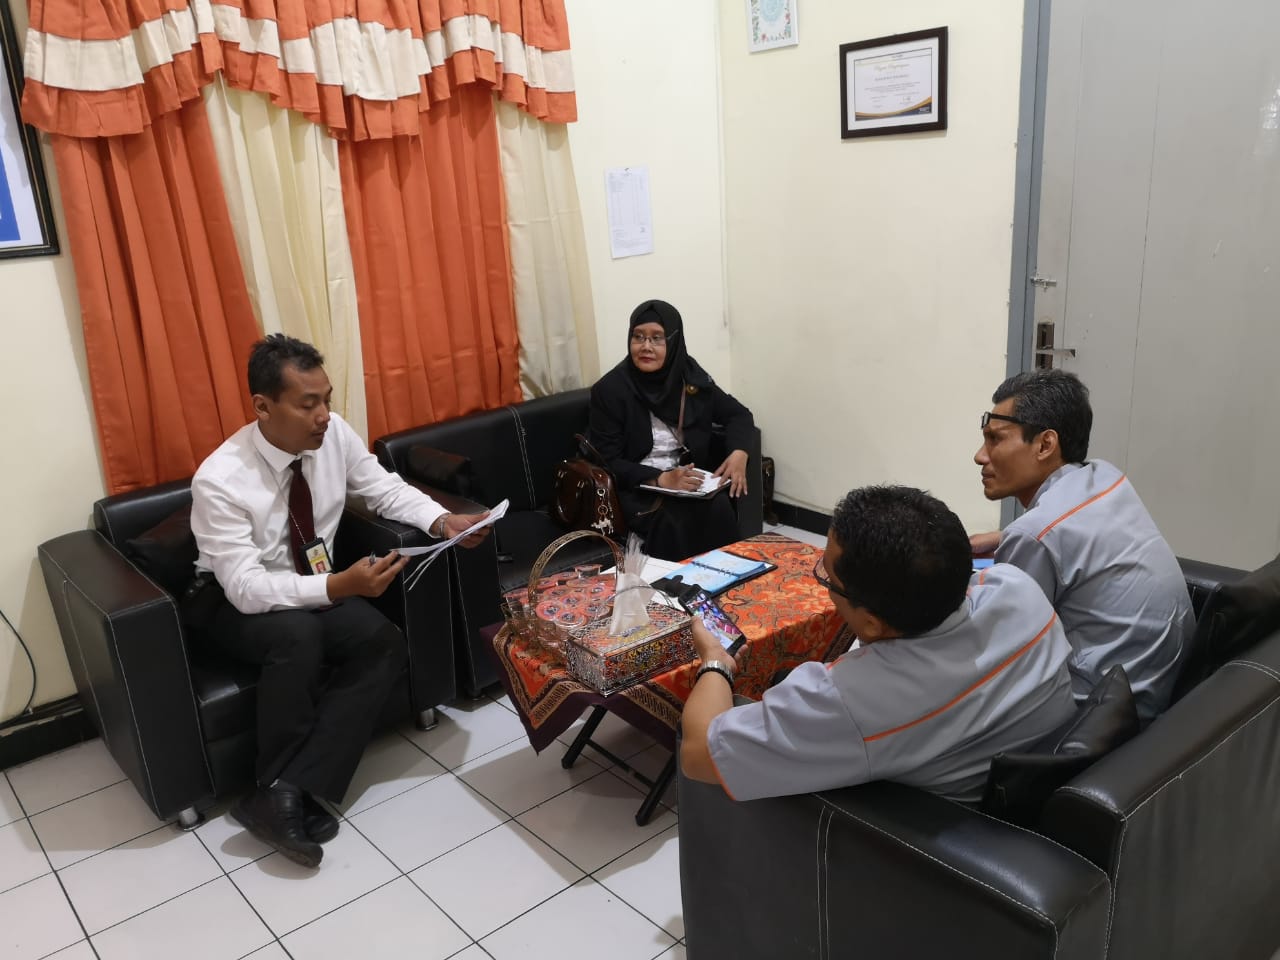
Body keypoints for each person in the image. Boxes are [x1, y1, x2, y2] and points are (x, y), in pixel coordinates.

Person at [187, 334, 490, 869]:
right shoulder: (220, 479)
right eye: (308, 404)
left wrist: (442, 520)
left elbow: (384, 489)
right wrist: (337, 588)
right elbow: (246, 588)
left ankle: (285, 789)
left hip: (312, 578)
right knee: (297, 635)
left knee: (382, 642)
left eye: (326, 399)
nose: (324, 415)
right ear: (263, 406)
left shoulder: (334, 435)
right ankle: (278, 789)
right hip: (230, 600)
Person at [680, 485, 1076, 803]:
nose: (823, 581)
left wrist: (716, 662)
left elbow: (697, 755)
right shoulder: (1019, 588)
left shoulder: (849, 699)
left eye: (827, 577)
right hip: (1026, 781)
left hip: (922, 836)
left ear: (871, 621)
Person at [971, 369, 1193, 723]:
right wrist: (1003, 537)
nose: (980, 456)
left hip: (1102, 715)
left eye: (995, 439)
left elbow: (1001, 649)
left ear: (1045, 444)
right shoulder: (1106, 477)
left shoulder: (1036, 534)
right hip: (1161, 688)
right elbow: (1067, 531)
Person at [587, 299, 755, 560]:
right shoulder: (610, 390)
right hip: (637, 487)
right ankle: (674, 584)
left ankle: (728, 579)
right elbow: (608, 461)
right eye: (638, 337)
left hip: (686, 479)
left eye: (657, 338)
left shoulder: (690, 377)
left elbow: (738, 414)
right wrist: (660, 478)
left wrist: (739, 452)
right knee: (674, 519)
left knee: (719, 506)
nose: (646, 346)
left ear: (674, 341)